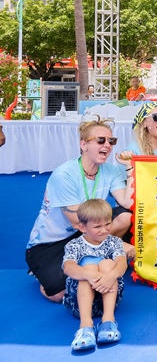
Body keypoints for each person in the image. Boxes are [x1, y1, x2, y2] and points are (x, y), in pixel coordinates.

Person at [26, 117, 133, 303]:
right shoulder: (64, 175)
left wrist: (130, 167)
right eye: (100, 140)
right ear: (83, 144)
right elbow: (77, 222)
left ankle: (95, 260)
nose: (107, 145)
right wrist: (116, 247)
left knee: (125, 217)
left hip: (87, 231)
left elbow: (126, 202)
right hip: (51, 243)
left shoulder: (111, 170)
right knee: (58, 295)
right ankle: (45, 271)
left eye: (111, 141)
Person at [62, 199, 126, 351]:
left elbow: (122, 263)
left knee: (109, 265)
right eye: (97, 226)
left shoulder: (115, 242)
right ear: (82, 227)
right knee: (88, 268)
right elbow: (68, 267)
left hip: (107, 300)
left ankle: (108, 321)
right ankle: (86, 326)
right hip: (79, 303)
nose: (104, 230)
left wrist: (111, 276)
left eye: (108, 224)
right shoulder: (74, 245)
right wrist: (89, 275)